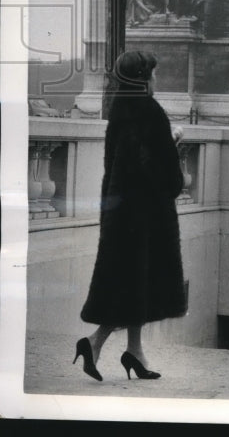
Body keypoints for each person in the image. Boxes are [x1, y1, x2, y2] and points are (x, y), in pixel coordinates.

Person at [74, 50, 187, 382]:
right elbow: (159, 170)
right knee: (133, 282)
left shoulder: (120, 110)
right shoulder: (150, 112)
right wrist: (173, 144)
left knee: (136, 281)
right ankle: (94, 342)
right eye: (153, 73)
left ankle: (135, 351)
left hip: (122, 209)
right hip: (146, 214)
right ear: (144, 77)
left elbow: (128, 159)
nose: (156, 78)